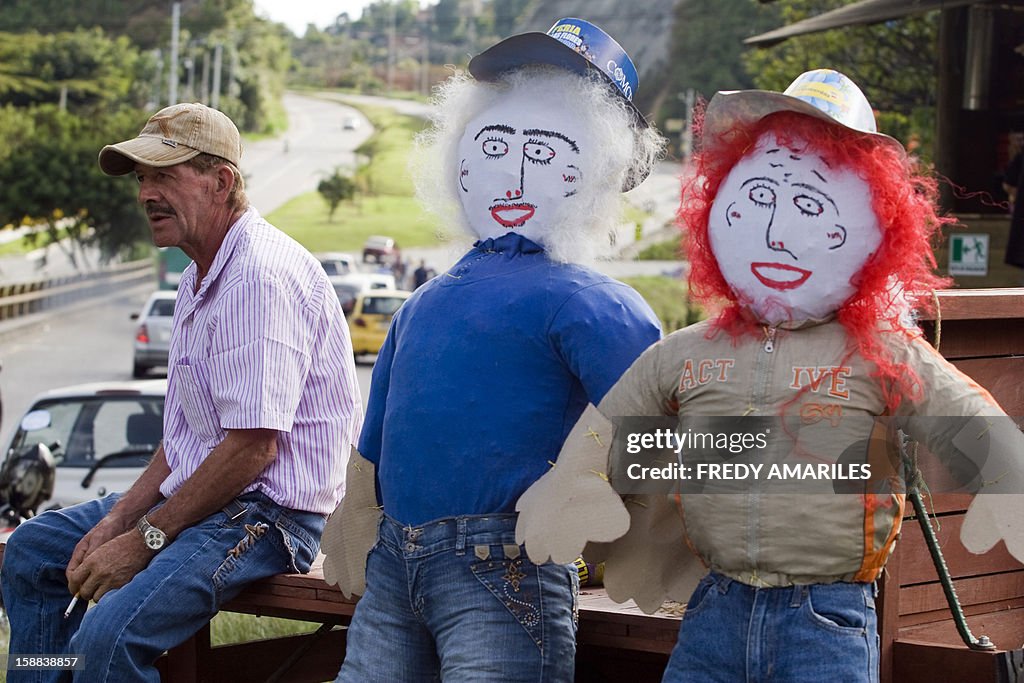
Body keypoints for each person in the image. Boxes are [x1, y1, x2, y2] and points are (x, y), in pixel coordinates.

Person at [516, 69, 1024, 682]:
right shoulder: (690, 354)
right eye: (759, 198)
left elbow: (964, 416)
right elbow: (617, 427)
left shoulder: (882, 354)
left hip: (826, 620)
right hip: (715, 607)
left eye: (810, 205)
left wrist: (1008, 479)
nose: (779, 233)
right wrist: (576, 479)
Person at [320, 18, 664, 682]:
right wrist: (357, 514)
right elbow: (377, 435)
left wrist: (602, 498)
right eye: (497, 144)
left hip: (506, 564)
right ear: (462, 157)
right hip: (396, 560)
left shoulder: (587, 302)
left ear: (591, 171)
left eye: (543, 151)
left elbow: (657, 420)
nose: (512, 169)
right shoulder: (422, 302)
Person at [0, 102, 363, 682]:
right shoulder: (201, 272)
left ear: (221, 181)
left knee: (108, 639)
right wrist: (119, 517)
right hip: (209, 499)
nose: (146, 193)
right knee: (33, 552)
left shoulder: (256, 278)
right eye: (142, 178)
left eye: (164, 175)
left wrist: (142, 540)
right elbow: (185, 440)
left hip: (268, 517)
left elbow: (253, 450)